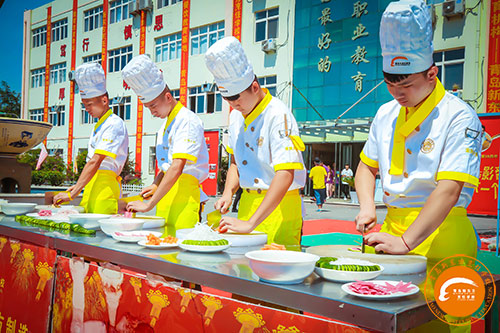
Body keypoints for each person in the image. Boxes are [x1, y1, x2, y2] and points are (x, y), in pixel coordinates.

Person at [355, 2, 481, 331]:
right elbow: (365, 168)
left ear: (431, 73)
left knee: (444, 324)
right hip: (392, 230)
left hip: (444, 234)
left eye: (406, 85)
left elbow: (449, 189)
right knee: (393, 322)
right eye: (390, 84)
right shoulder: (385, 114)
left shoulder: (458, 115)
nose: (397, 93)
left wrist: (408, 241)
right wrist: (368, 207)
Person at [206, 37, 306, 245]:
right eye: (227, 100)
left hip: (280, 208)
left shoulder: (278, 114)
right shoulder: (235, 117)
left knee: (278, 270)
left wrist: (251, 223)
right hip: (247, 204)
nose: (234, 104)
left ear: (254, 86)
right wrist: (228, 193)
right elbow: (235, 161)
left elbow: (285, 174)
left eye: (237, 98)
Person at [122, 55, 209, 236]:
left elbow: (177, 167)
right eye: (147, 107)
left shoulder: (187, 120)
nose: (152, 111)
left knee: (181, 250)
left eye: (153, 105)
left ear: (168, 97)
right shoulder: (165, 126)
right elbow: (166, 166)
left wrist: (148, 206)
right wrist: (155, 184)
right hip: (166, 195)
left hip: (183, 197)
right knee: (165, 248)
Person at [53, 63, 128, 214]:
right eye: (84, 105)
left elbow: (96, 160)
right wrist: (78, 186)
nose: (87, 109)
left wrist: (73, 194)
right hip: (92, 185)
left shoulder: (114, 123)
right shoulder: (99, 125)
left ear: (104, 100)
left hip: (104, 188)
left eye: (90, 104)